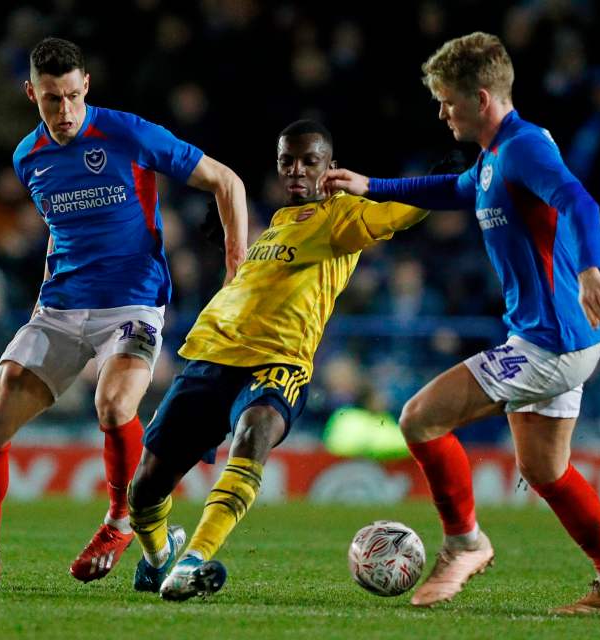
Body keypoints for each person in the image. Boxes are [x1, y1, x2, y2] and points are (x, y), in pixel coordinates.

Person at [324, 32, 600, 615]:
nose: (441, 111)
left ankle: (464, 544)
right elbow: (455, 189)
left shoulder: (524, 148)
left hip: (553, 340)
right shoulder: (495, 156)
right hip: (553, 336)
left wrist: (591, 269)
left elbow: (580, 201)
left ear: (481, 96)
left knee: (419, 418)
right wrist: (372, 187)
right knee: (545, 468)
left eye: (447, 100)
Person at [0, 37, 247, 589]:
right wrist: (42, 308)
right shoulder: (28, 158)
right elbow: (64, 233)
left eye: (74, 96)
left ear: (87, 87)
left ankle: (119, 523)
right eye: (53, 99)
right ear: (32, 93)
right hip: (61, 306)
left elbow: (227, 182)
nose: (66, 111)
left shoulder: (127, 132)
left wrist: (234, 270)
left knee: (114, 399)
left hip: (133, 301)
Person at [124, 119, 427, 600]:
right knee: (143, 491)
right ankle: (158, 556)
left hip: (280, 362)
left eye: (309, 161)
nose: (296, 171)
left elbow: (405, 212)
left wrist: (454, 177)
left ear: (330, 167)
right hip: (211, 357)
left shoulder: (342, 215)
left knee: (254, 431)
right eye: (288, 161)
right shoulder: (275, 226)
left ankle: (194, 561)